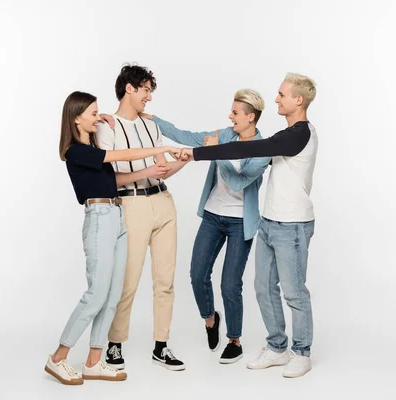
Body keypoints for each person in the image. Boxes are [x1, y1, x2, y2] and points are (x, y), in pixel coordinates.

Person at [178, 73, 318, 378]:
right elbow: (238, 147)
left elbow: (243, 150)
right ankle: (277, 347)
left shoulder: (299, 134)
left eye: (282, 95)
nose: (277, 99)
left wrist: (197, 154)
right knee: (263, 288)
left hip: (292, 224)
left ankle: (302, 352)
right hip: (269, 221)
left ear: (299, 100)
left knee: (294, 293)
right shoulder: (285, 133)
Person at [45, 91, 180, 385]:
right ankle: (58, 358)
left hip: (118, 216)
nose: (99, 117)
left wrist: (100, 119)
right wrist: (160, 148)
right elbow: (120, 155)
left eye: (98, 113)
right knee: (95, 294)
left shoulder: (90, 144)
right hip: (99, 221)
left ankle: (94, 361)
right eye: (92, 114)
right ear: (76, 118)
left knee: (113, 295)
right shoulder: (75, 152)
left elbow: (112, 173)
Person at [140, 88, 271, 364]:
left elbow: (238, 181)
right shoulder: (225, 135)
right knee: (197, 274)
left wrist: (214, 152)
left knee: (229, 284)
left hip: (239, 222)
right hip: (213, 215)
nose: (230, 116)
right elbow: (187, 137)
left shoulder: (263, 149)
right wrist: (150, 117)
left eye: (235, 112)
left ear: (251, 117)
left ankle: (234, 340)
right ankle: (211, 320)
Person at [97, 64, 188, 372]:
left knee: (166, 280)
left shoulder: (151, 126)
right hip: (130, 205)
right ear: (129, 89)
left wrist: (182, 162)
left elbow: (162, 168)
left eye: (151, 90)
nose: (150, 96)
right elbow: (106, 178)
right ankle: (114, 343)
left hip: (163, 201)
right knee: (128, 279)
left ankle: (161, 346)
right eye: (146, 89)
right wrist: (147, 171)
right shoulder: (107, 126)